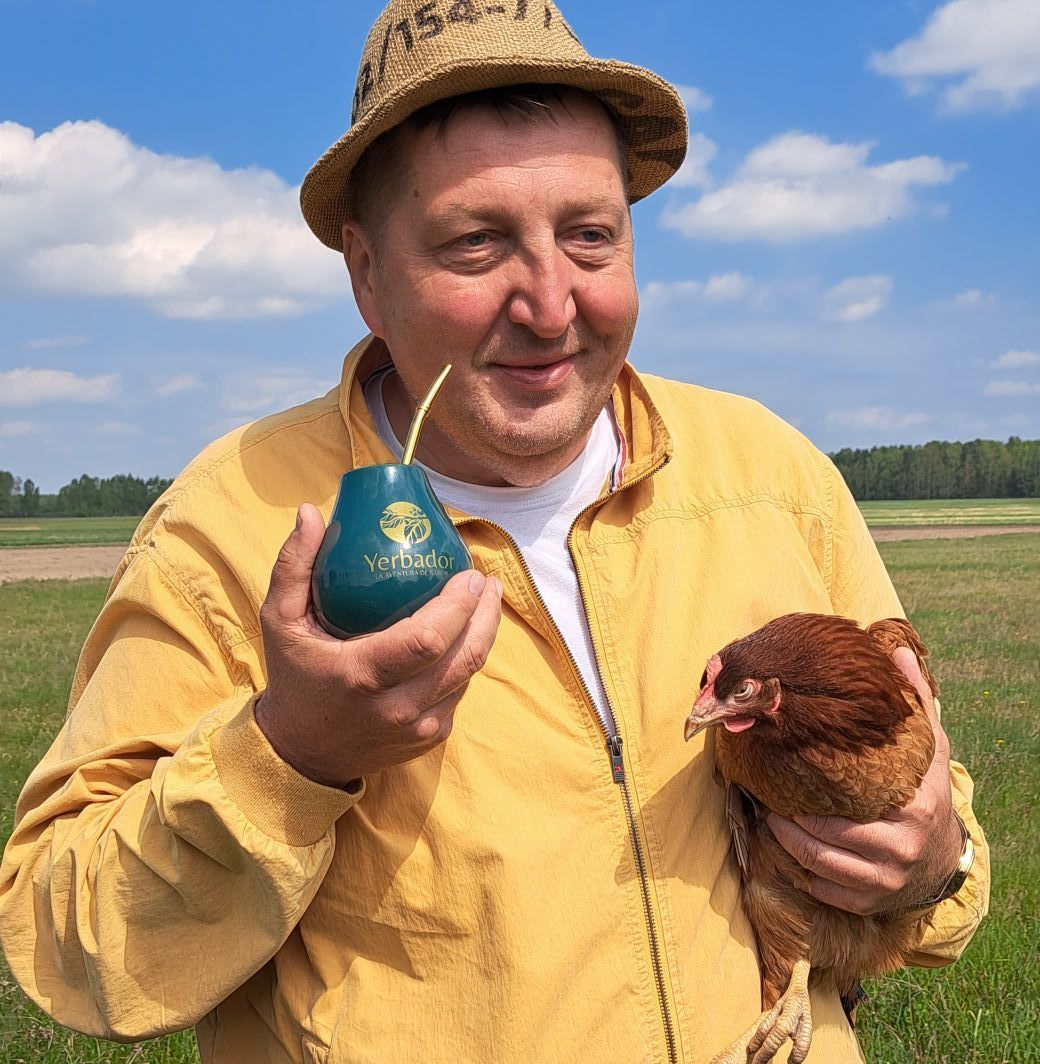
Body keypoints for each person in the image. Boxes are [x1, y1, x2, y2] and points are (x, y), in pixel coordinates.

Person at [0, 2, 988, 1062]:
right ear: (367, 274)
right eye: (475, 242)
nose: (551, 304)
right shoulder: (232, 524)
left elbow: (933, 833)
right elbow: (73, 948)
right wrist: (290, 755)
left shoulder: (770, 473)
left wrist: (936, 861)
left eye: (589, 235)